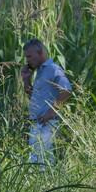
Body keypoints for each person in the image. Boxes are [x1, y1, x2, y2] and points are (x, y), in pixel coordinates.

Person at [20, 39, 72, 169]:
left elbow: (66, 90)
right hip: (37, 123)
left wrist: (51, 112)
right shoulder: (40, 72)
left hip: (47, 124)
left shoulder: (52, 69)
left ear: (41, 53)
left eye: (29, 56)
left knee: (43, 162)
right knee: (35, 161)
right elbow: (36, 98)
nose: (27, 60)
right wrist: (26, 80)